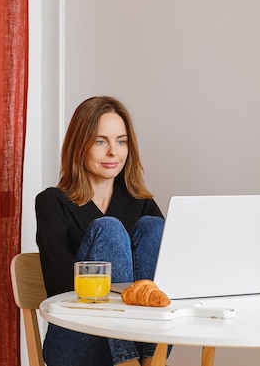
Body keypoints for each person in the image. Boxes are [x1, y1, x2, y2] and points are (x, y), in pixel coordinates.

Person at [35, 96, 168, 366]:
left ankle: (154, 360)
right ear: (79, 145)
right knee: (108, 228)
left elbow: (170, 277)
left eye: (121, 141)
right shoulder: (52, 202)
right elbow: (59, 285)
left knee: (154, 227)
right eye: (100, 141)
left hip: (147, 342)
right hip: (78, 337)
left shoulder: (142, 204)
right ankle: (127, 362)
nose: (113, 153)